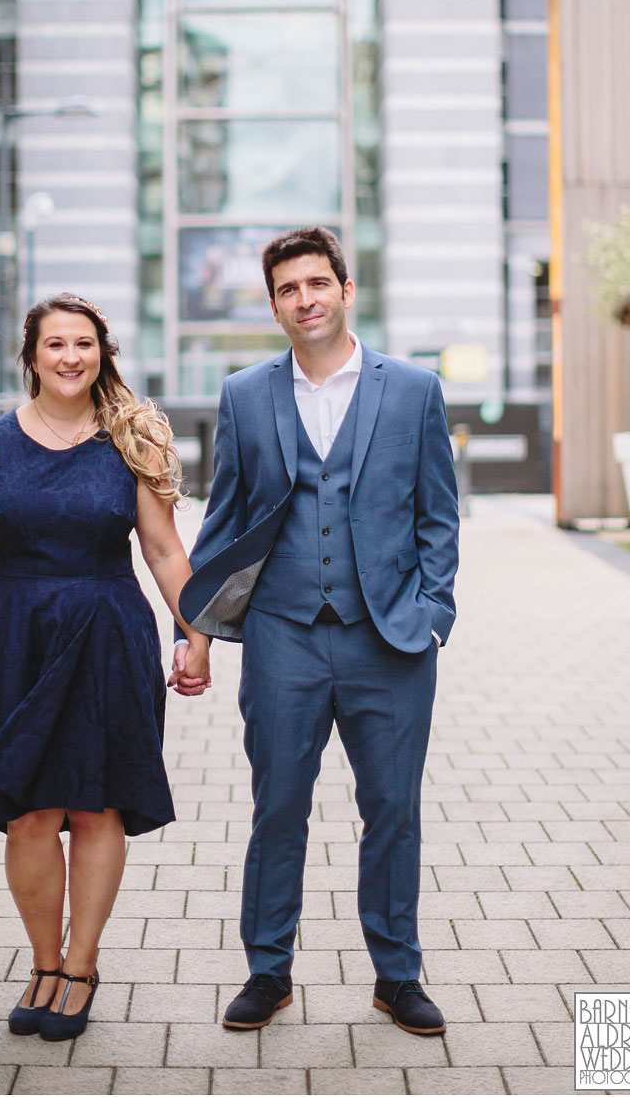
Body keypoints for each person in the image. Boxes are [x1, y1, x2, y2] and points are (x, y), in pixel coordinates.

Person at [173, 227, 459, 1036]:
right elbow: (222, 521)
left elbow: (439, 515)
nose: (305, 299)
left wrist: (434, 613)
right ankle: (269, 971)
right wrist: (194, 630)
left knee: (394, 809)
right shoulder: (243, 393)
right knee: (277, 808)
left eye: (316, 283)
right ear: (272, 305)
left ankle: (396, 976)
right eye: (288, 289)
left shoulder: (412, 389)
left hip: (390, 639)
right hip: (282, 636)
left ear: (344, 288)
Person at [0, 294, 206, 1042]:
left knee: (95, 806)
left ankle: (81, 963)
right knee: (29, 810)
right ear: (31, 355)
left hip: (108, 632)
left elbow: (164, 549)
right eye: (55, 345)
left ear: (103, 352)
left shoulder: (132, 438)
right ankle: (43, 961)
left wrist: (195, 630)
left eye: (84, 344)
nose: (70, 357)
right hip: (14, 634)